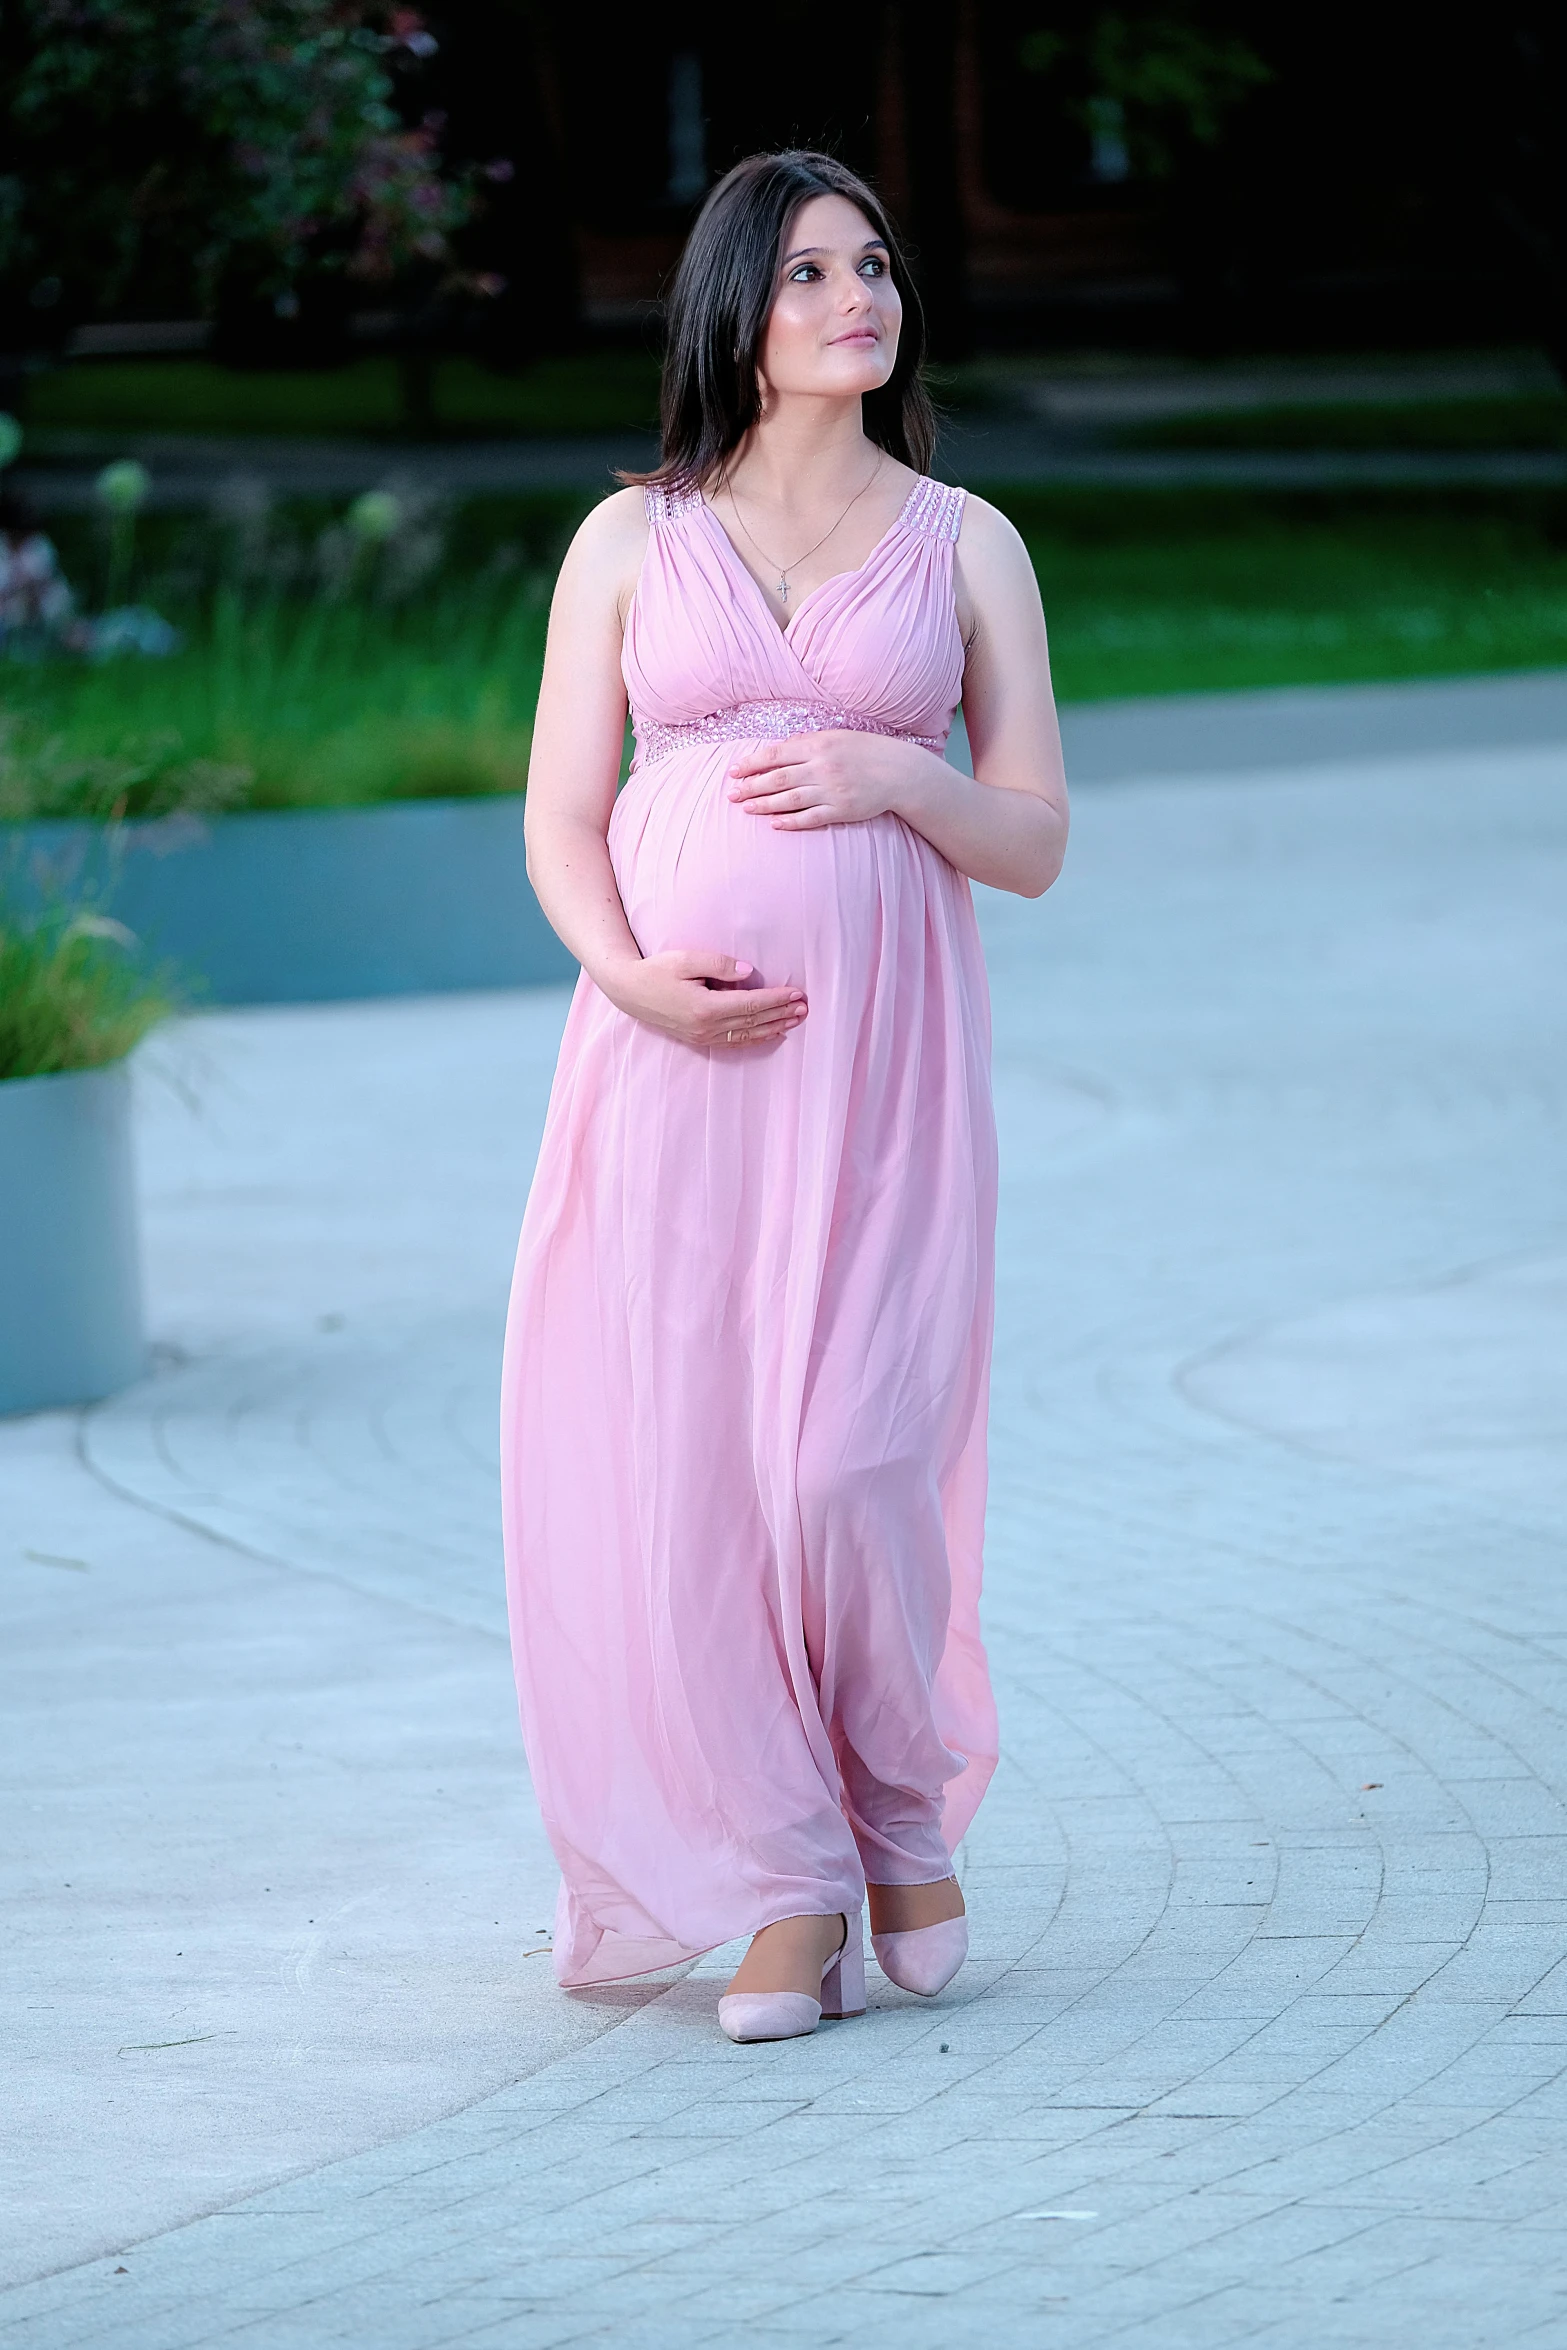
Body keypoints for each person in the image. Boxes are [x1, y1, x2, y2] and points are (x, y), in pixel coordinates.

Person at [501, 149, 1068, 2044]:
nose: (860, 296)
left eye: (879, 264)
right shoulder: (626, 541)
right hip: (674, 1069)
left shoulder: (967, 539)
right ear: (732, 310)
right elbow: (562, 818)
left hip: (886, 1071)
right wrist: (629, 973)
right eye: (813, 270)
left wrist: (897, 779)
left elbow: (1038, 839)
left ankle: (899, 1801)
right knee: (703, 1485)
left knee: (850, 1466)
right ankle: (786, 1879)